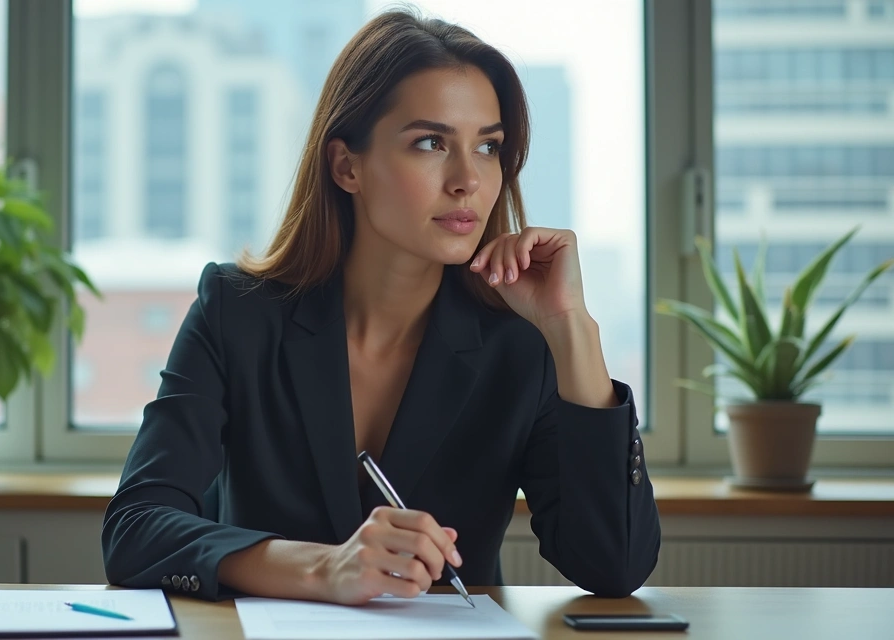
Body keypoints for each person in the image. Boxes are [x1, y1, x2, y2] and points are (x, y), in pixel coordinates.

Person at [102, 9, 660, 605]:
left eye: (489, 146)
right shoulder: (237, 311)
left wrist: (572, 331)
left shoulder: (522, 341)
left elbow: (612, 567)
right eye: (430, 142)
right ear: (347, 165)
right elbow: (136, 529)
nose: (468, 179)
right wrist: (321, 569)